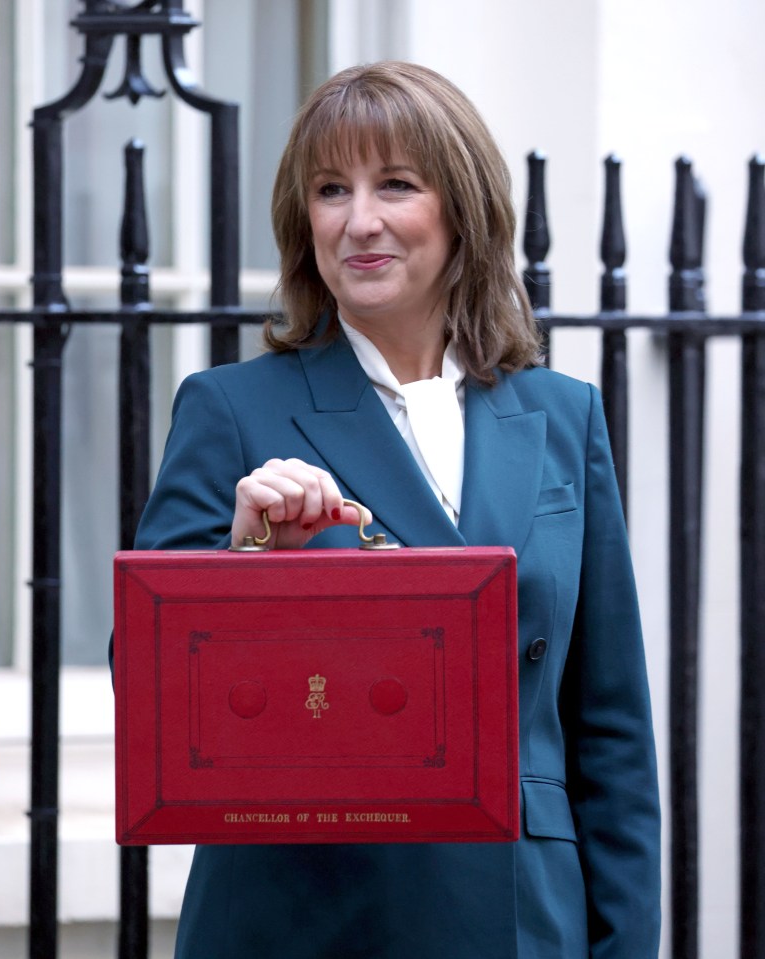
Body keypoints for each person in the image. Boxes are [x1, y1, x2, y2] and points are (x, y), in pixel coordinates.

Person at [133, 61, 661, 959]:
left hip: (521, 916)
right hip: (302, 916)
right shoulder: (230, 408)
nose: (359, 220)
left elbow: (609, 730)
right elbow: (146, 699)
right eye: (331, 188)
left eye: (397, 185)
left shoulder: (562, 415)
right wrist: (246, 559)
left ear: (462, 210)